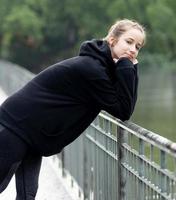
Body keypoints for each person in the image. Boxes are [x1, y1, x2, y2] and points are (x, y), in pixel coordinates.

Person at [0, 18, 146, 199]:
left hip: (32, 134)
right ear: (112, 40)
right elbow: (123, 110)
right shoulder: (92, 69)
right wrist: (126, 65)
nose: (133, 50)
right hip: (16, 127)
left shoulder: (101, 68)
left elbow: (126, 106)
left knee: (27, 195)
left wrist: (132, 67)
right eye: (129, 42)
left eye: (138, 47)